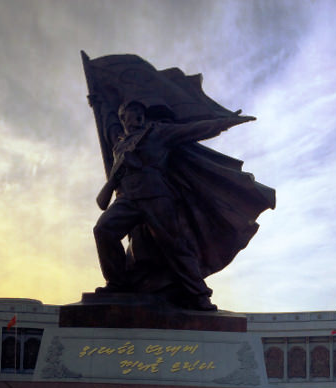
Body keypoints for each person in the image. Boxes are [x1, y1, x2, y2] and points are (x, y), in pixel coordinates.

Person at [93, 101, 255, 311]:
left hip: (156, 196)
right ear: (123, 118)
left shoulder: (157, 132)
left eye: (141, 113)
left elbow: (193, 130)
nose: (139, 118)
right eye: (133, 114)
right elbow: (110, 128)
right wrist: (100, 102)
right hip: (127, 198)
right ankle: (117, 283)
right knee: (103, 230)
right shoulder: (119, 145)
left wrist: (225, 122)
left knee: (174, 246)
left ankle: (199, 295)